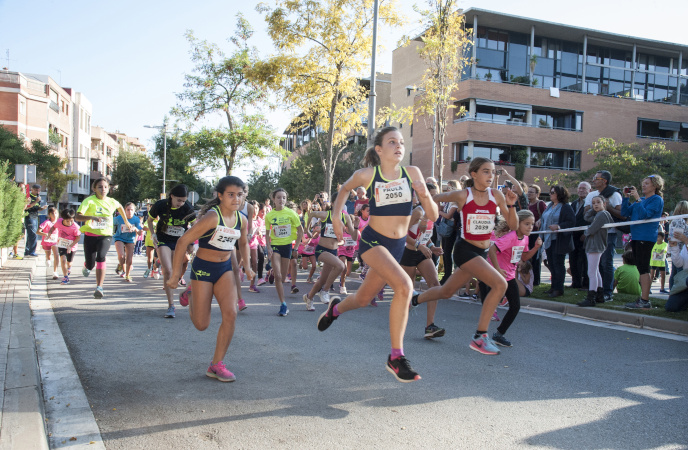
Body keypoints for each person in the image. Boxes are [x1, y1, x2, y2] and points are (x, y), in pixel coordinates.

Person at [318, 126, 438, 382]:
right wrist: (337, 217)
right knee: (405, 287)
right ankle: (396, 357)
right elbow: (344, 190)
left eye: (402, 142)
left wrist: (424, 194)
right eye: (392, 142)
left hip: (396, 248)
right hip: (373, 242)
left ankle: (334, 310)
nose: (399, 146)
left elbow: (434, 214)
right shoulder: (367, 175)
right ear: (379, 150)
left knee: (362, 299)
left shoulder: (413, 173)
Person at [411, 156, 518, 357]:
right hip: (465, 250)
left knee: (446, 291)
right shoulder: (463, 195)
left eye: (493, 172)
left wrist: (511, 205)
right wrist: (424, 211)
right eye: (486, 171)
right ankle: (480, 336)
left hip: (482, 252)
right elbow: (434, 199)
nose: (490, 175)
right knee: (500, 284)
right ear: (474, 174)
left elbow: (513, 226)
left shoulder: (497, 195)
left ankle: (415, 300)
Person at [169, 176, 254, 382]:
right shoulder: (212, 217)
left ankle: (216, 364)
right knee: (201, 324)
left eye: (240, 195)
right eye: (231, 195)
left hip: (224, 269)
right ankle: (191, 292)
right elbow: (183, 241)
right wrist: (174, 276)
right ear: (220, 196)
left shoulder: (242, 219)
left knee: (231, 313)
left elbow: (243, 243)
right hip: (203, 269)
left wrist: (248, 268)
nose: (236, 199)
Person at [483, 210, 541, 347]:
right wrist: (497, 269)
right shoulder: (511, 237)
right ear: (517, 223)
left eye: (532, 224)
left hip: (509, 275)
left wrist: (536, 247)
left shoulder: (525, 238)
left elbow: (525, 257)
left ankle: (498, 335)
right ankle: (481, 334)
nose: (530, 227)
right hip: (498, 274)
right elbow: (492, 249)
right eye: (526, 224)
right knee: (493, 303)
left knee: (515, 307)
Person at [76, 178, 136, 299]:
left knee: (101, 257)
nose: (103, 189)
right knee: (91, 264)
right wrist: (91, 217)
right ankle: (87, 265)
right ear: (94, 189)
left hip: (106, 235)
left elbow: (120, 208)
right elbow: (78, 216)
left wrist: (126, 222)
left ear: (108, 189)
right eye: (100, 187)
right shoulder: (89, 201)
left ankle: (99, 287)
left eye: (105, 187)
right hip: (90, 235)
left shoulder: (112, 201)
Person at [399, 186, 445, 339]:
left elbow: (425, 235)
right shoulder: (418, 212)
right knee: (406, 291)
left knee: (435, 286)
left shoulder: (433, 213)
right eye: (430, 195)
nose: (433, 199)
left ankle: (430, 326)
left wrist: (432, 246)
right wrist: (419, 245)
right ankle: (398, 325)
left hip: (423, 252)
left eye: (435, 196)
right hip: (409, 253)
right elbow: (402, 234)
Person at [147, 184, 196, 318]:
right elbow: (150, 220)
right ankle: (171, 305)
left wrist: (191, 242)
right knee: (167, 270)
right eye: (179, 200)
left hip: (179, 242)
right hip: (163, 240)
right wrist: (153, 234)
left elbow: (195, 226)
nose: (181, 203)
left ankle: (158, 262)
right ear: (172, 196)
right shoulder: (160, 205)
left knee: (175, 271)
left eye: (183, 201)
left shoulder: (187, 208)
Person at [302, 200, 356, 309]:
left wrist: (356, 226)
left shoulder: (345, 218)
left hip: (333, 251)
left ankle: (309, 297)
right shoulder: (326, 215)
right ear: (332, 204)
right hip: (322, 250)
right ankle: (325, 291)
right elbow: (312, 214)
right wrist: (307, 230)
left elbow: (354, 237)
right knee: (341, 266)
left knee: (322, 279)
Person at [621, 175, 664, 309]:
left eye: (647, 183)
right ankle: (642, 299)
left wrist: (638, 199)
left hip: (646, 237)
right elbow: (625, 212)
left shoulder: (656, 199)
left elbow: (645, 215)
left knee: (644, 268)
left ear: (655, 186)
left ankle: (645, 300)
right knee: (641, 268)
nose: (643, 185)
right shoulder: (642, 200)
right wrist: (626, 197)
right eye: (643, 183)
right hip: (637, 236)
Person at [585, 171, 625, 301]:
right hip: (594, 236)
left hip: (608, 235)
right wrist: (595, 207)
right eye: (594, 202)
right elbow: (586, 214)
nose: (594, 180)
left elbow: (621, 214)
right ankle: (598, 292)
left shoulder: (614, 195)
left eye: (596, 178)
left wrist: (606, 207)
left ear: (604, 181)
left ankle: (607, 292)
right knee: (595, 268)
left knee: (606, 262)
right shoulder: (592, 194)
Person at [265, 188, 304, 316]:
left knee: (282, 278)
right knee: (278, 276)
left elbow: (301, 232)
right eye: (278, 197)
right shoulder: (269, 215)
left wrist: (296, 248)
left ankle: (272, 271)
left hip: (287, 246)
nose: (281, 200)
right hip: (275, 246)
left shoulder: (291, 214)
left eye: (284, 197)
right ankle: (283, 304)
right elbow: (267, 233)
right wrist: (269, 247)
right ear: (273, 199)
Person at [538, 185, 575, 298]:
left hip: (558, 240)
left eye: (552, 192)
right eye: (550, 192)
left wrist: (559, 226)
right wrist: (540, 221)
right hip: (548, 239)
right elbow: (545, 217)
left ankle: (559, 289)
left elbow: (571, 222)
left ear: (559, 194)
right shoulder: (549, 206)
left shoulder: (565, 207)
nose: (550, 194)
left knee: (558, 265)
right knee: (552, 264)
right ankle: (553, 287)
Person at [577, 196, 613, 307]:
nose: (596, 204)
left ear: (604, 203)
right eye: (593, 203)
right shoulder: (597, 214)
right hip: (592, 245)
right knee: (595, 271)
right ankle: (599, 295)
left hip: (596, 245)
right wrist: (593, 209)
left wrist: (586, 231)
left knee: (591, 273)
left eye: (598, 202)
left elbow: (592, 229)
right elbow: (587, 217)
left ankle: (591, 297)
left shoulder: (603, 215)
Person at [49, 208, 81, 285]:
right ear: (63, 219)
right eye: (67, 221)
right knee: (63, 260)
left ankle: (69, 268)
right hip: (62, 244)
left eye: (71, 220)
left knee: (69, 263)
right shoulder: (59, 222)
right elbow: (53, 227)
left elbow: (78, 238)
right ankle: (65, 277)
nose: (70, 223)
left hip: (72, 246)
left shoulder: (75, 227)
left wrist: (70, 245)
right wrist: (50, 233)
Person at [113, 202, 143, 282]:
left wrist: (135, 229)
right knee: (122, 256)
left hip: (130, 240)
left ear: (134, 211)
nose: (130, 212)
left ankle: (127, 275)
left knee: (129, 259)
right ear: (124, 211)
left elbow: (140, 232)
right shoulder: (119, 218)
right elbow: (110, 223)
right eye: (128, 210)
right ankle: (121, 265)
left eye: (131, 210)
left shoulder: (136, 219)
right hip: (119, 238)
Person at [569, 181, 591, 290]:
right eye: (580, 188)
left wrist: (586, 233)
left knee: (584, 261)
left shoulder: (591, 203)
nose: (581, 190)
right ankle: (576, 282)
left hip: (585, 237)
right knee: (573, 260)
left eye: (584, 188)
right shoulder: (574, 203)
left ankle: (586, 284)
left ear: (589, 191)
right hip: (573, 236)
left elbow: (593, 221)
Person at [438, 179, 459, 285]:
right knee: (444, 252)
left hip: (451, 229)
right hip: (446, 227)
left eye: (450, 187)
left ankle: (448, 275)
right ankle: (446, 274)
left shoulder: (455, 202)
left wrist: (440, 212)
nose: (448, 189)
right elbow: (441, 208)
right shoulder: (448, 201)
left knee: (447, 252)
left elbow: (449, 215)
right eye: (447, 187)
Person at [526, 184, 547, 285]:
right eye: (528, 192)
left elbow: (546, 216)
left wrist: (539, 220)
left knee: (536, 257)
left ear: (537, 194)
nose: (529, 194)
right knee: (528, 256)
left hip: (537, 233)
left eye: (531, 192)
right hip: (528, 234)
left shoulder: (541, 204)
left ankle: (536, 280)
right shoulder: (527, 204)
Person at [667, 201, 688, 289]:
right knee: (678, 276)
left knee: (675, 275)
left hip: (677, 251)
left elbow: (672, 237)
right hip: (680, 251)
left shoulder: (675, 221)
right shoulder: (680, 221)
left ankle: (673, 296)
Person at [665, 230, 688, 312]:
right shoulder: (686, 245)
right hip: (685, 283)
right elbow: (679, 264)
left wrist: (686, 242)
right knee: (670, 307)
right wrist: (674, 248)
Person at [24, 184, 47, 257]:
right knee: (33, 234)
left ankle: (27, 251)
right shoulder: (29, 197)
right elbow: (27, 207)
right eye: (36, 190)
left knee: (31, 235)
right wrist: (36, 201)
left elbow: (37, 207)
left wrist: (42, 208)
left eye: (39, 190)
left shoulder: (37, 197)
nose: (38, 192)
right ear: (32, 190)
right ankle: (31, 252)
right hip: (29, 217)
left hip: (35, 216)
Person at [38, 206, 60, 279]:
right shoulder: (46, 222)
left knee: (56, 255)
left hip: (55, 242)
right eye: (52, 213)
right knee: (49, 255)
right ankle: (47, 259)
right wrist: (45, 234)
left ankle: (55, 272)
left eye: (56, 213)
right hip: (47, 241)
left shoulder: (60, 222)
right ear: (49, 215)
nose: (54, 215)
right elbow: (38, 232)